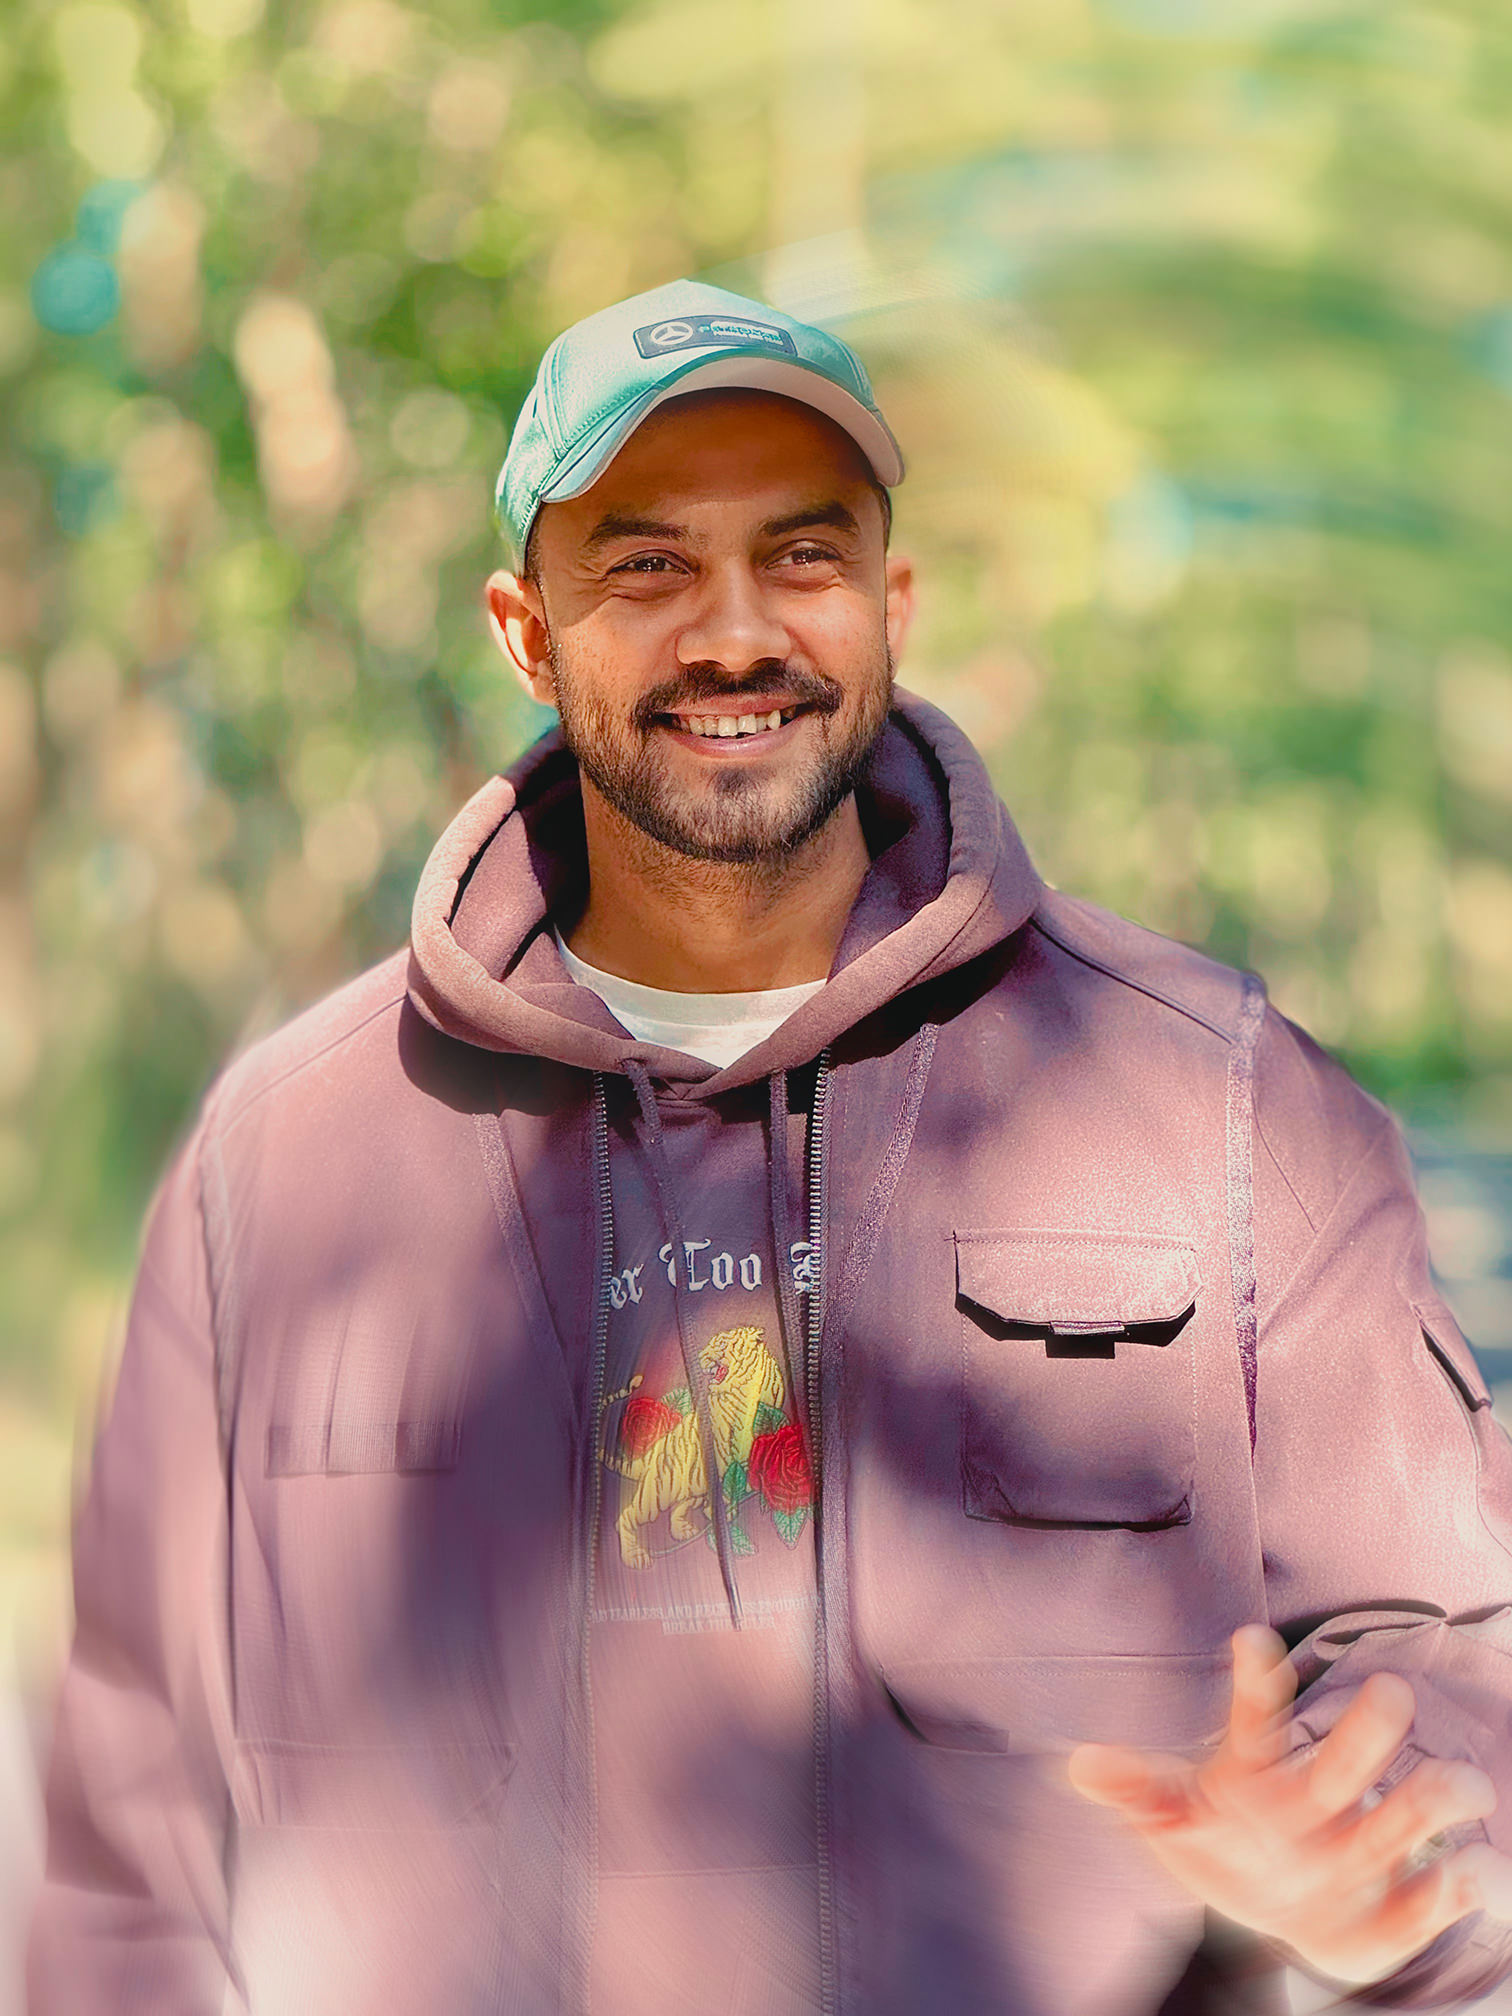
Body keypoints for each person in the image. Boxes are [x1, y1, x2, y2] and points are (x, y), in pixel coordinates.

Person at [27, 278, 1512, 2016]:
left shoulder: (1219, 1106)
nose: (735, 632)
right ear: (525, 629)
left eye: (801, 557)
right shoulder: (284, 1162)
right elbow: (128, 1844)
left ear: (890, 602)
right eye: (647, 567)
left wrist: (1383, 1867)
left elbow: (1449, 1643)